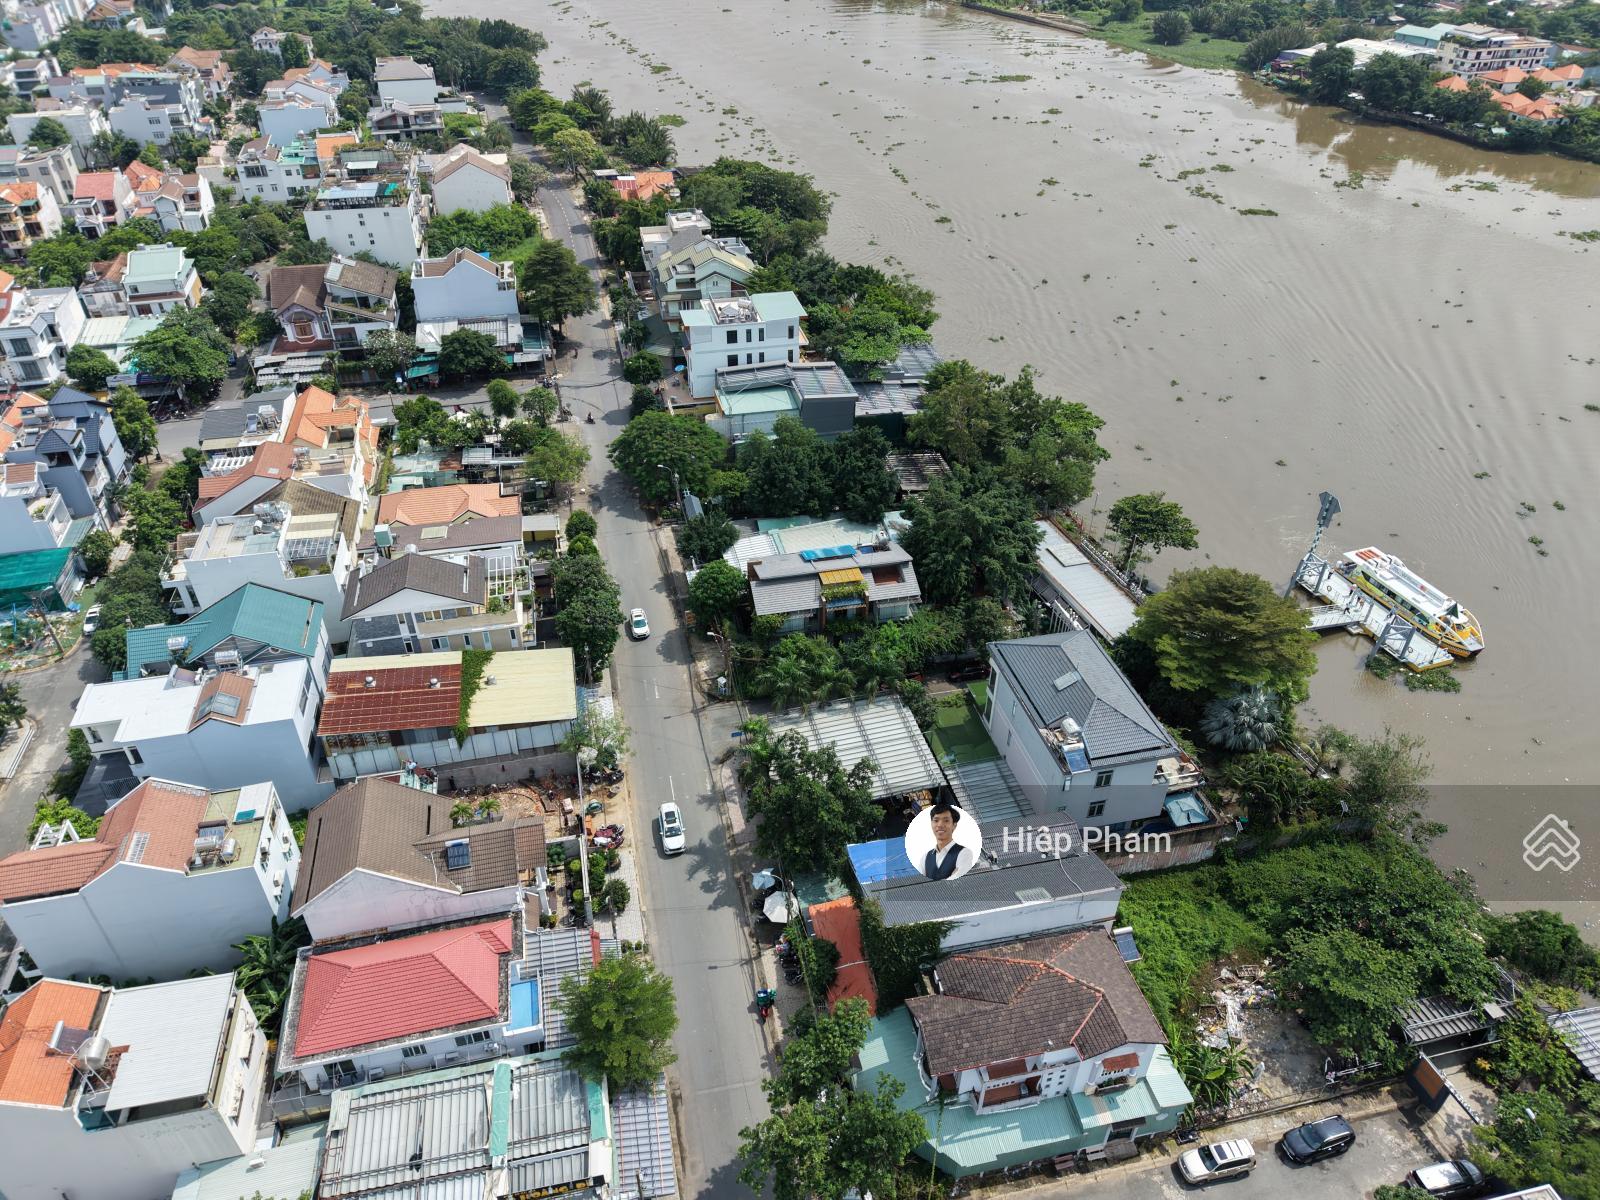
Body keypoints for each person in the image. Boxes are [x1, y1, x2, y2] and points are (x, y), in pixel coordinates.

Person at [923, 803, 975, 881]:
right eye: (936, 820)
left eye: (946, 821)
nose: (940, 825)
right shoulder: (925, 857)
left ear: (954, 825)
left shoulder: (964, 853)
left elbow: (958, 879)